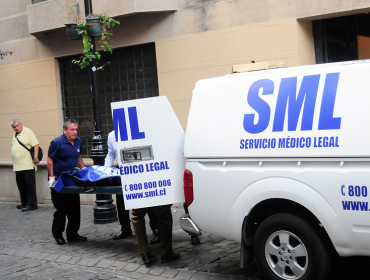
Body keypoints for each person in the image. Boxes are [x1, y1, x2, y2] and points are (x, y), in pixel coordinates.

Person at [104, 130, 159, 244]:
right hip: (122, 169)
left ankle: (156, 229)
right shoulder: (111, 135)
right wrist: (106, 170)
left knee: (146, 200)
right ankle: (125, 228)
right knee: (121, 200)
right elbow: (110, 154)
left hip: (137, 168)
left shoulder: (134, 131)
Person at [47, 119, 87, 245]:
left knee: (74, 209)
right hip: (59, 180)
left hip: (72, 179)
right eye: (72, 130)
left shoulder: (78, 141)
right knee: (61, 209)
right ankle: (58, 234)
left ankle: (72, 234)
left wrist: (83, 169)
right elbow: (49, 160)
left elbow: (78, 156)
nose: (75, 132)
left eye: (76, 129)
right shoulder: (57, 142)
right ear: (65, 130)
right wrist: (52, 177)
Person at [10, 118, 39, 212]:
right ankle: (24, 203)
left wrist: (35, 157)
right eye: (14, 127)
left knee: (29, 185)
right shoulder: (15, 135)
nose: (16, 128)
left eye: (17, 126)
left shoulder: (28, 131)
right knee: (21, 185)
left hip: (27, 164)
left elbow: (36, 144)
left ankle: (32, 204)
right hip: (18, 166)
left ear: (21, 124)